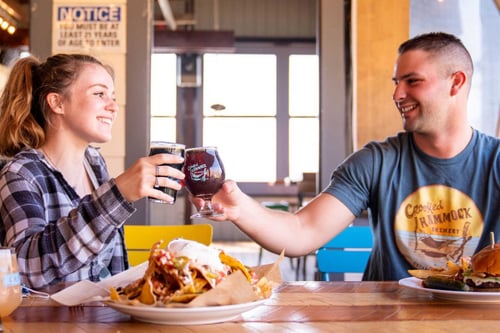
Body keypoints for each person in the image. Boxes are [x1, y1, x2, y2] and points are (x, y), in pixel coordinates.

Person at [193, 32, 500, 281]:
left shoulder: (495, 162)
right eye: (396, 83)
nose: (396, 95)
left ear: (456, 83)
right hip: (386, 322)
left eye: (413, 81)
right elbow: (302, 232)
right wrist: (239, 209)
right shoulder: (376, 162)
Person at [0, 54, 184, 289]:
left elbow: (110, 267)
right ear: (57, 103)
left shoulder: (94, 162)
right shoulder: (20, 174)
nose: (113, 107)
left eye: (113, 97)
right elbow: (24, 267)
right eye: (99, 94)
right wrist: (117, 196)